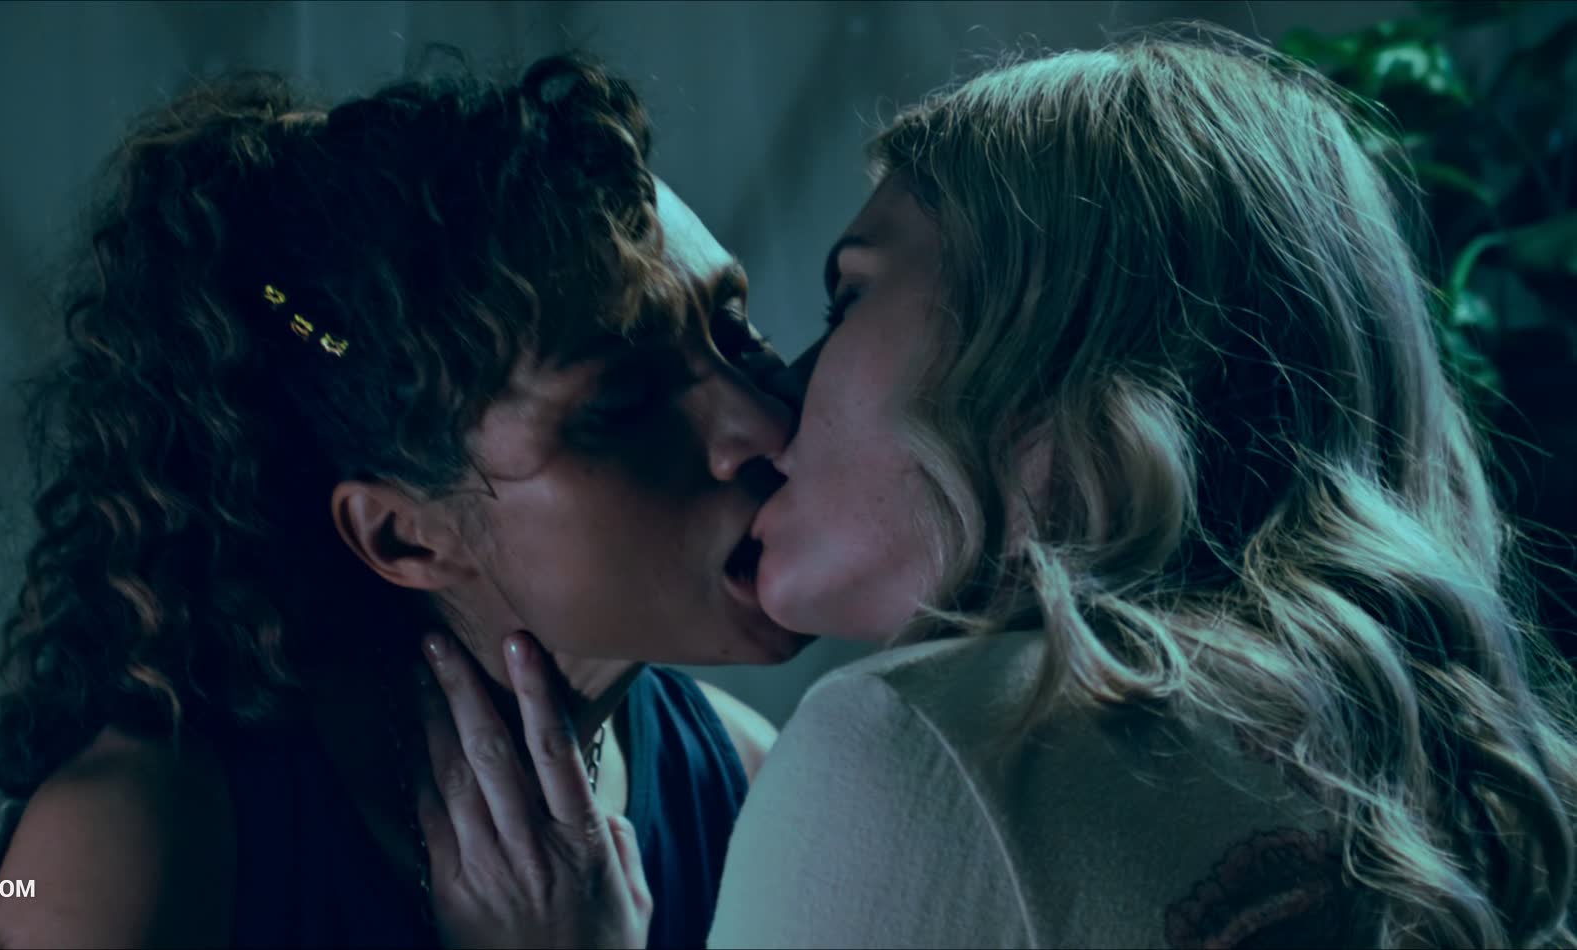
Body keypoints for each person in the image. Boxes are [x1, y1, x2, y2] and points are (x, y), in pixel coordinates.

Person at [415, 28, 1577, 949]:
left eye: (845, 299)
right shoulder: (1415, 760)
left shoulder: (928, 742)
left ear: (1052, 354)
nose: (777, 401)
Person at [0, 52, 809, 949]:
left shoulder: (755, 782)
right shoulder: (135, 849)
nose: (767, 424)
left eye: (734, 327)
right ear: (405, 538)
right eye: (626, 404)